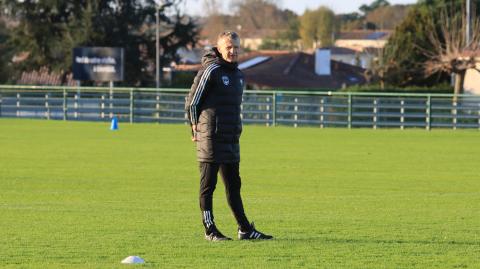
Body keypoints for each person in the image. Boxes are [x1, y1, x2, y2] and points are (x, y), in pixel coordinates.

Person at [185, 31, 273, 241]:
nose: (233, 51)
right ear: (220, 48)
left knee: (234, 186)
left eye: (236, 48)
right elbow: (193, 101)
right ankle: (210, 230)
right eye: (229, 47)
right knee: (208, 186)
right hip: (210, 137)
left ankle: (245, 229)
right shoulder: (211, 70)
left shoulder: (238, 75)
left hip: (231, 138)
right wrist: (193, 127)